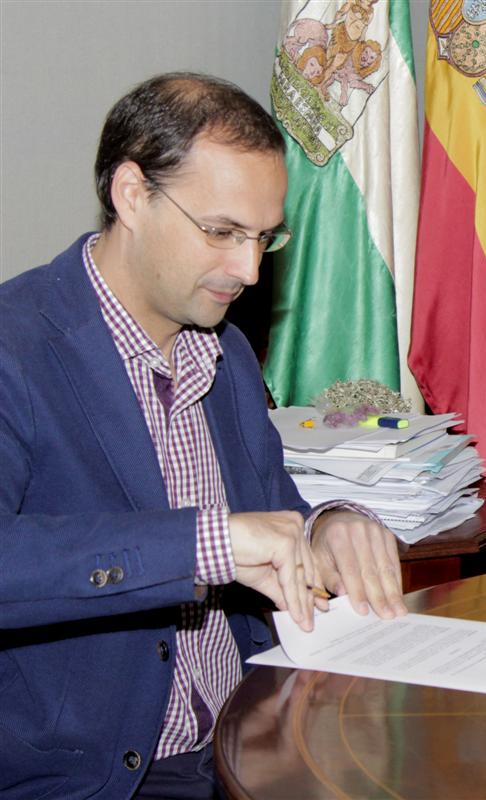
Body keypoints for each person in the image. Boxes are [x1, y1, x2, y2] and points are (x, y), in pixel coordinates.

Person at [0, 72, 407, 799]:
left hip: (247, 741)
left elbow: (269, 514)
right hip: (95, 776)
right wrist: (204, 543)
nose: (248, 270)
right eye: (221, 232)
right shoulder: (17, 346)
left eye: (264, 238)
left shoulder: (226, 354)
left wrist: (328, 528)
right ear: (132, 195)